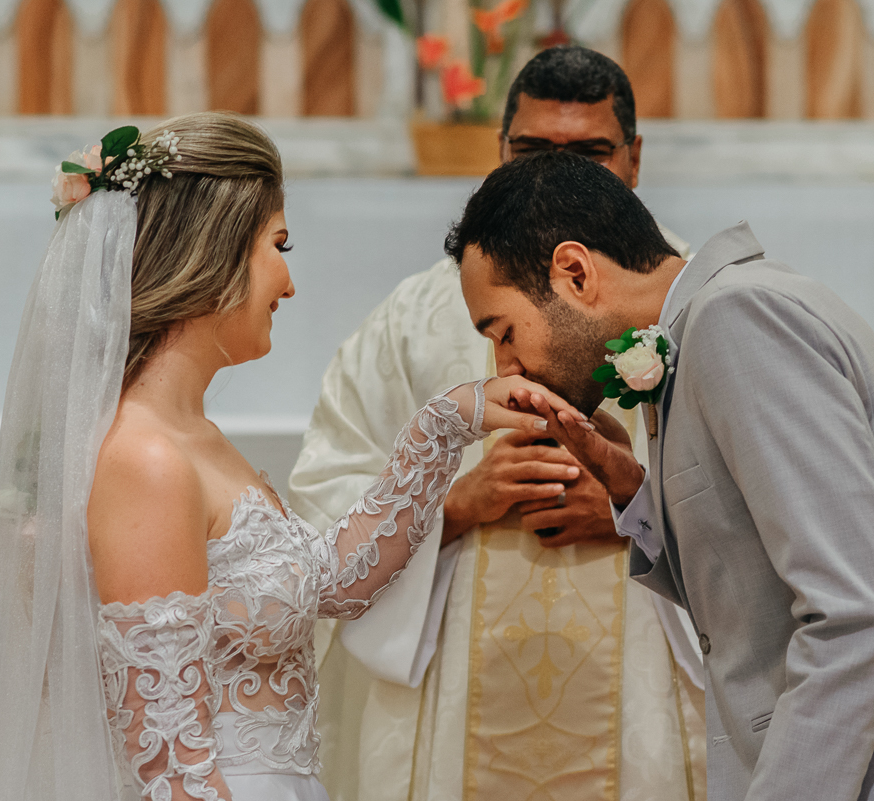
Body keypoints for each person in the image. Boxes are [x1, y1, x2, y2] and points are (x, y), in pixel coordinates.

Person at [0, 112, 575, 801]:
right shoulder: (146, 458)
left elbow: (334, 582)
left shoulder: (198, 438)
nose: (290, 282)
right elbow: (171, 766)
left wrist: (449, 422)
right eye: (279, 245)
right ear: (212, 252)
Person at [448, 150, 874, 801]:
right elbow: (753, 590)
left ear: (575, 272)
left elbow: (859, 614)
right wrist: (630, 487)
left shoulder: (739, 320)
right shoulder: (702, 331)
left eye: (503, 332)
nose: (506, 368)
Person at [290, 47, 704, 801]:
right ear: (499, 151)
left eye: (588, 152)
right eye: (534, 150)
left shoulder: (687, 300)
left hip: (648, 687)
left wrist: (637, 514)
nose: (557, 174)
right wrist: (453, 505)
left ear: (634, 159)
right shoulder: (415, 317)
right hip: (454, 691)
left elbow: (766, 509)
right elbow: (326, 492)